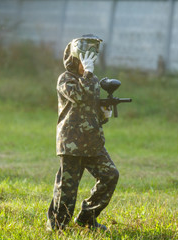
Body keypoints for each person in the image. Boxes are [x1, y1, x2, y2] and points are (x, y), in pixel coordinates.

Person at [47, 34, 119, 231]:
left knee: (110, 175)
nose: (87, 64)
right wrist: (88, 74)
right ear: (74, 59)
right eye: (83, 60)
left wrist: (104, 114)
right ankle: (57, 226)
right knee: (67, 190)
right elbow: (78, 96)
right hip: (71, 143)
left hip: (92, 142)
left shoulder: (91, 79)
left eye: (90, 60)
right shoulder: (65, 79)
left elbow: (91, 112)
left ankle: (87, 217)